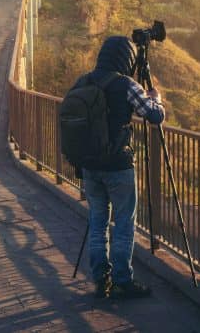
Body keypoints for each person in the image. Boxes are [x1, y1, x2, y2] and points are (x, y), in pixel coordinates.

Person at [75, 35, 165, 299]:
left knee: (97, 221)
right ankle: (123, 280)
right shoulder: (126, 84)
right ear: (127, 59)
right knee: (124, 223)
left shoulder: (84, 81)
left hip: (90, 166)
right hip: (118, 166)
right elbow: (154, 116)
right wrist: (157, 98)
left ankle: (100, 279)